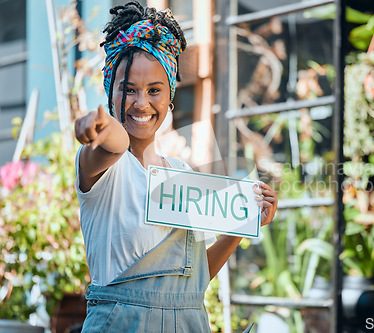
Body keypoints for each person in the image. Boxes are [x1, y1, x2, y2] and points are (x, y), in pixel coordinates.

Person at [73, 2, 278, 332]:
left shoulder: (182, 173)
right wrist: (97, 125)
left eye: (154, 90)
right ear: (110, 92)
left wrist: (244, 224)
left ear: (170, 97)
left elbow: (193, 279)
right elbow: (116, 143)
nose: (141, 103)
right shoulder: (102, 166)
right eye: (128, 90)